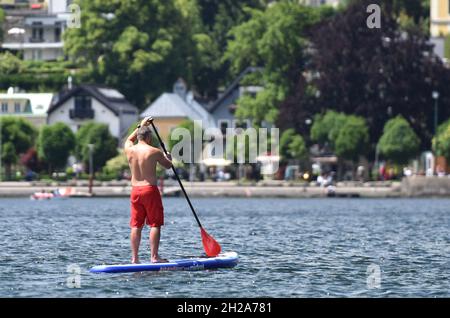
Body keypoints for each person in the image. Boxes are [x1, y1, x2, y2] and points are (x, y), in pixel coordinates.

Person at [124, 117, 173, 264]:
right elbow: (168, 166)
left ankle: (134, 259)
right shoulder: (154, 151)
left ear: (138, 136)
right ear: (149, 137)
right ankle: (154, 257)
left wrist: (141, 124)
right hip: (149, 190)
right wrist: (168, 157)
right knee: (155, 224)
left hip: (135, 191)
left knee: (136, 225)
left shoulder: (129, 149)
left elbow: (128, 138)